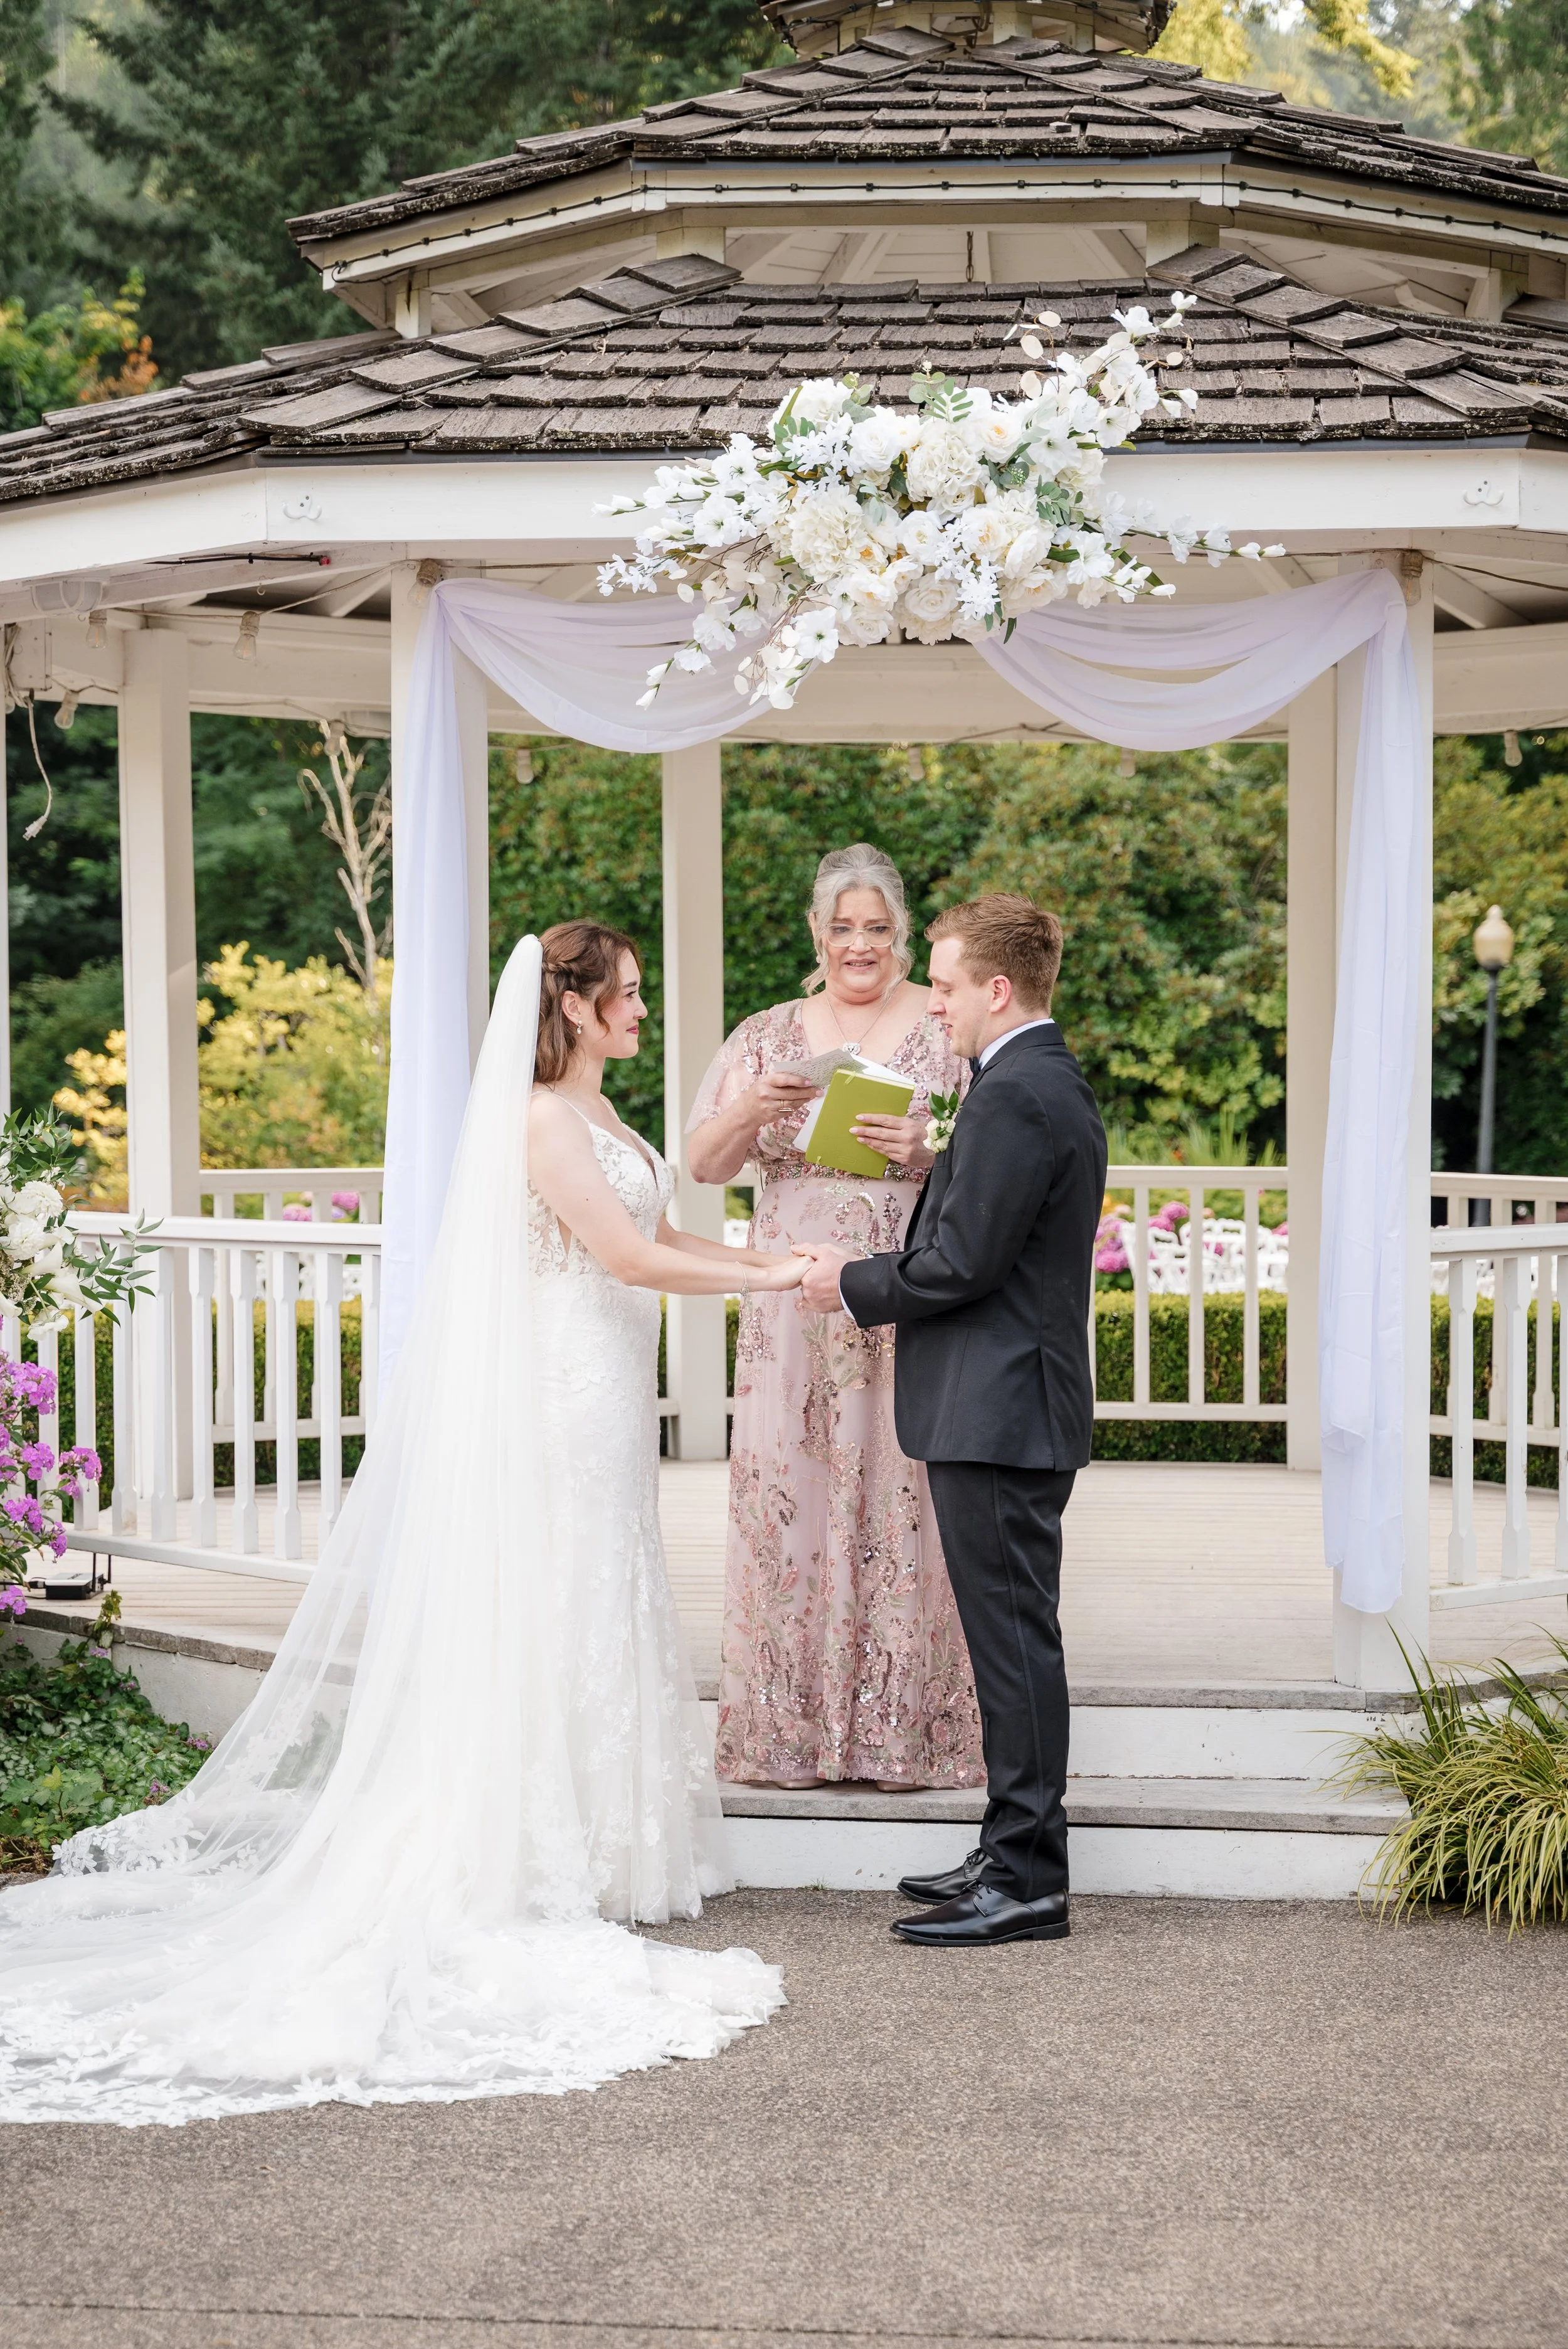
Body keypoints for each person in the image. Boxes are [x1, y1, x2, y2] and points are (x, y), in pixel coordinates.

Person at [0, 924, 798, 2124]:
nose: (642, 1011)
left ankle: (605, 1841)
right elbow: (625, 1256)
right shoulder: (539, 1122)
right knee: (559, 1596)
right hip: (562, 1392)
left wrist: (761, 1252)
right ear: (572, 1008)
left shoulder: (613, 1122)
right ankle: (525, 1847)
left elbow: (668, 1232)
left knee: (604, 1589)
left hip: (607, 1397)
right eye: (627, 997)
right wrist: (776, 1282)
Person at [798, 894, 1106, 1949]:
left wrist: (846, 1281)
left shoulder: (1019, 1093)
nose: (934, 1003)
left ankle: (1028, 1881)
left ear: (997, 989)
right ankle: (1007, 1846)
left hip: (1002, 1411)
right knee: (1007, 1643)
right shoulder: (1021, 1083)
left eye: (943, 984)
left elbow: (964, 1265)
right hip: (1001, 1407)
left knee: (1016, 1648)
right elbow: (990, 1225)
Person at [687, 844, 983, 1794]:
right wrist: (752, 1109)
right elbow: (702, 1164)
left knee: (901, 1496)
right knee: (791, 1496)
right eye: (842, 927)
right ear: (817, 934)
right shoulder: (766, 1035)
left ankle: (898, 1736)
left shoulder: (943, 1032)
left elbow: (997, 1171)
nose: (861, 944)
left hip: (902, 1295)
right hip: (788, 1308)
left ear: (902, 933)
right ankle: (789, 1734)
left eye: (879, 928)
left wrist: (926, 1145)